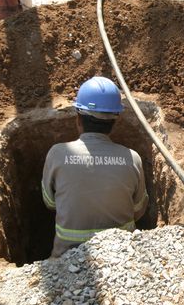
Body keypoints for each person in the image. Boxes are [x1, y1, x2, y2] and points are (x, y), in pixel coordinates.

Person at [41, 76, 148, 257]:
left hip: (65, 259)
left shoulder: (57, 154)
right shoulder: (132, 159)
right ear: (114, 121)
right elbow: (138, 209)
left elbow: (50, 203)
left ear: (78, 119)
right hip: (124, 258)